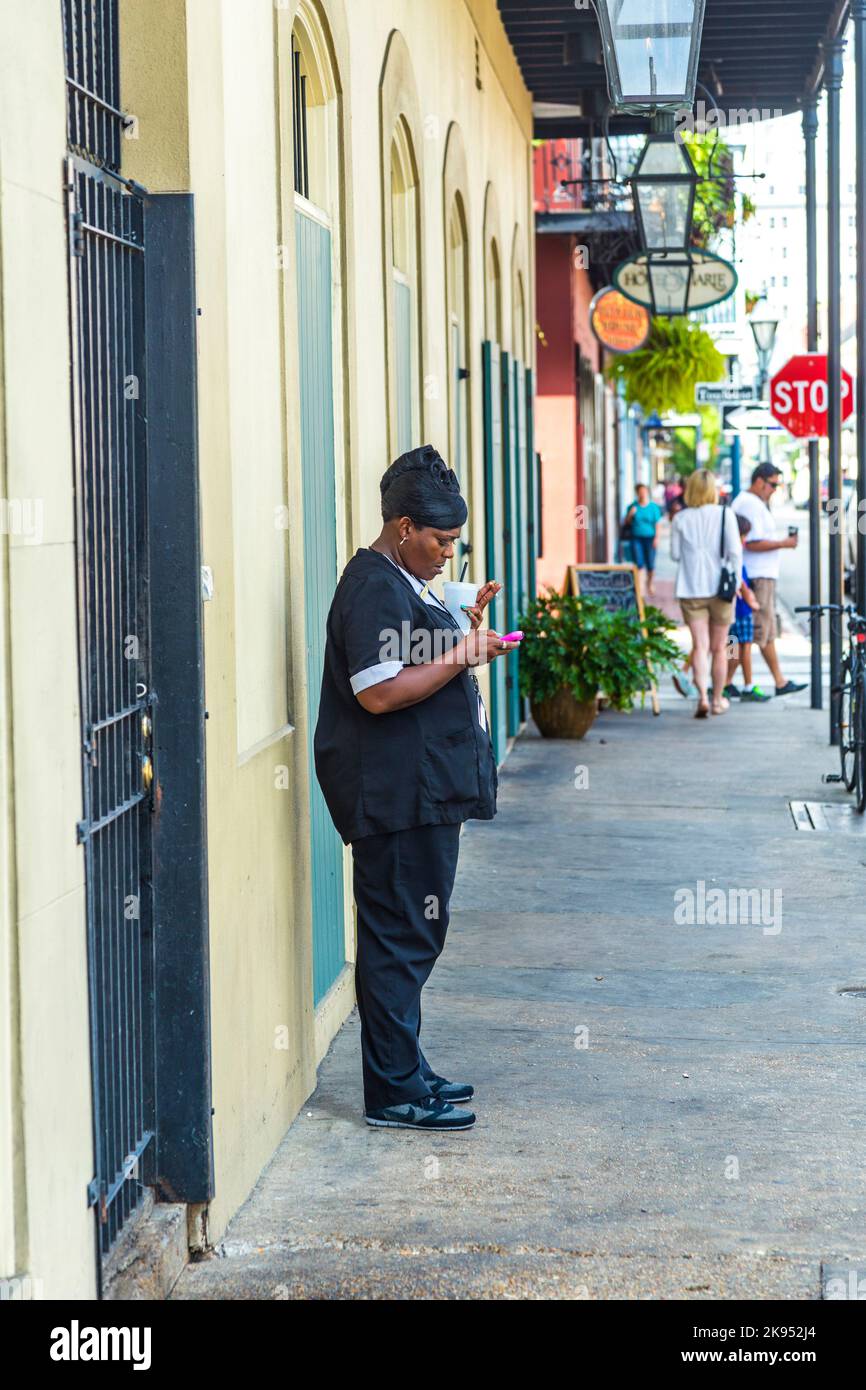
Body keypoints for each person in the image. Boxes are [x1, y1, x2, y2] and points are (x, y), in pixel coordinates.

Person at [314, 445, 519, 1133]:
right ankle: (393, 1092)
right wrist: (463, 651)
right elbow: (377, 691)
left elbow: (411, 655)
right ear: (403, 528)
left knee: (416, 931)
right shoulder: (372, 583)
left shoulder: (401, 578)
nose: (446, 554)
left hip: (419, 791)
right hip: (394, 795)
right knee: (401, 935)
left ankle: (408, 1070)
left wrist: (463, 623)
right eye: (440, 541)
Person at [670, 468, 742, 718]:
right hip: (721, 590)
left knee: (699, 647)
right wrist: (738, 584)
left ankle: (701, 697)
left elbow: (675, 555)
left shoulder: (680, 519)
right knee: (720, 648)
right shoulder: (726, 515)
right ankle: (717, 700)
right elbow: (735, 553)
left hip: (690, 588)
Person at [732, 463, 806, 697]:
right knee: (748, 634)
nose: (774, 489)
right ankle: (725, 682)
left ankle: (777, 681)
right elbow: (750, 542)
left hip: (758, 576)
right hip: (754, 576)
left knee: (760, 632)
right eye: (773, 484)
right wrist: (783, 543)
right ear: (759, 481)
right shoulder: (749, 504)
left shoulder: (754, 504)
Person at [723, 514, 771, 702]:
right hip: (741, 611)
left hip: (735, 610)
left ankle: (727, 683)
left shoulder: (727, 550)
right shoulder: (735, 553)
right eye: (743, 536)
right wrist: (750, 598)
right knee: (741, 650)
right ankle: (745, 685)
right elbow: (740, 580)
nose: (744, 540)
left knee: (734, 650)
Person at [624, 482, 663, 598]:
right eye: (640, 492)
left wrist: (657, 538)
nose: (642, 494)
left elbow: (657, 524)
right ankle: (640, 587)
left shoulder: (653, 507)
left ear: (647, 492)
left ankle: (649, 583)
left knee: (650, 564)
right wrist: (630, 515)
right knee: (639, 563)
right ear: (637, 493)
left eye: (644, 491)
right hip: (636, 538)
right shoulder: (633, 507)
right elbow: (626, 523)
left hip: (650, 538)